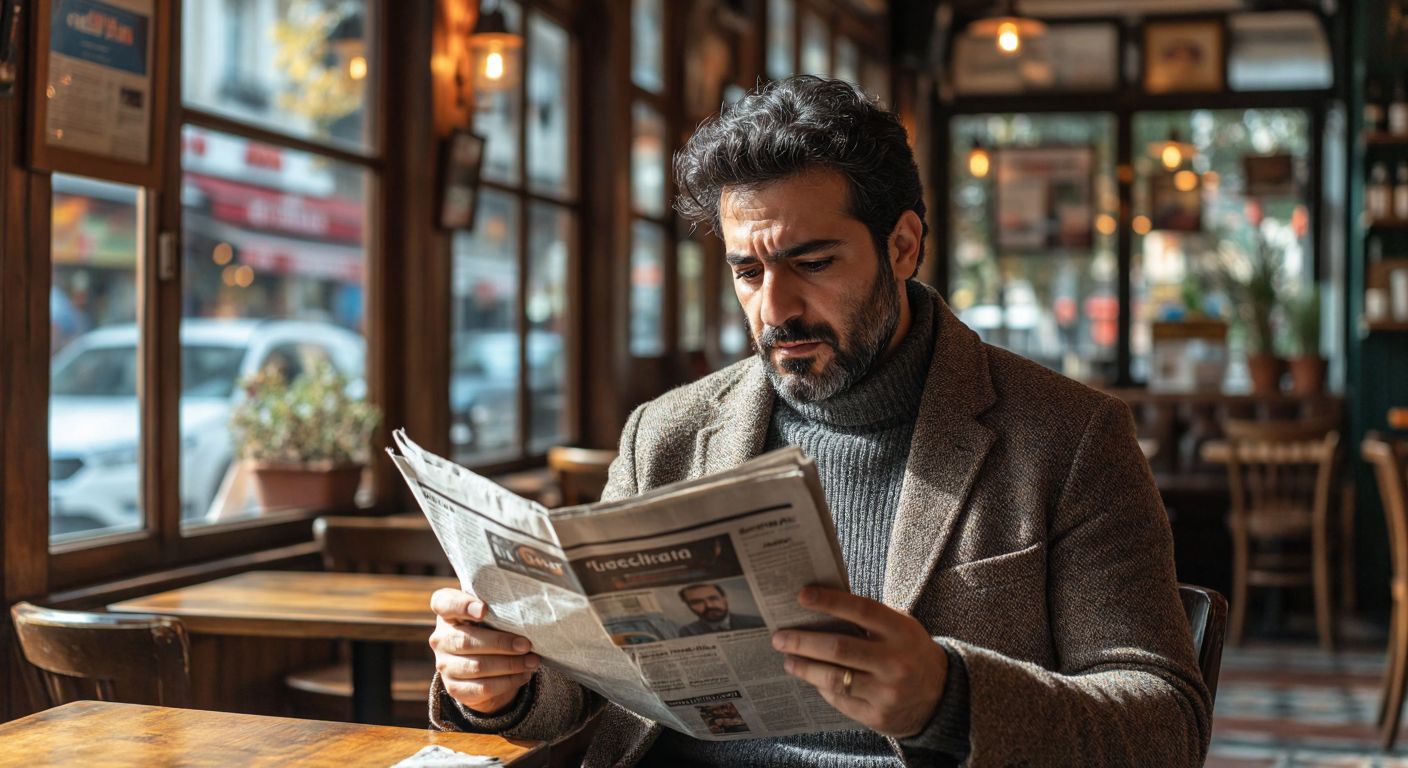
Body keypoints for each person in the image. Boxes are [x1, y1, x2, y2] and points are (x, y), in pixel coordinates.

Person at [428, 75, 1210, 767]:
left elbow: (1164, 727)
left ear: (902, 246)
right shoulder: (663, 435)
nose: (775, 309)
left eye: (812, 262)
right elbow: (599, 682)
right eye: (747, 270)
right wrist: (505, 685)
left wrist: (954, 698)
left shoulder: (1069, 440)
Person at [675, 583, 764, 637]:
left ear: (724, 598)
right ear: (688, 606)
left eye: (713, 598)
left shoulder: (757, 622)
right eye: (697, 602)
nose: (709, 606)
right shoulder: (688, 631)